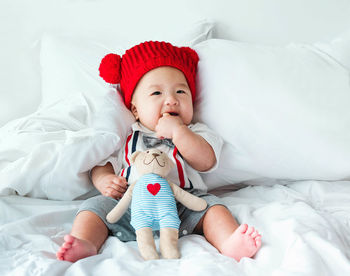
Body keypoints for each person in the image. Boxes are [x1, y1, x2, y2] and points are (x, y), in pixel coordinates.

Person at [56, 41, 261, 262]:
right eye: (156, 93)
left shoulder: (196, 131)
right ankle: (85, 243)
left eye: (181, 91)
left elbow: (206, 161)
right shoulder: (128, 134)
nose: (171, 100)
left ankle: (228, 241)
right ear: (135, 109)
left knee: (215, 208)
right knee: (94, 207)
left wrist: (179, 132)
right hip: (130, 204)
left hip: (185, 205)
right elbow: (103, 162)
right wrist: (104, 179)